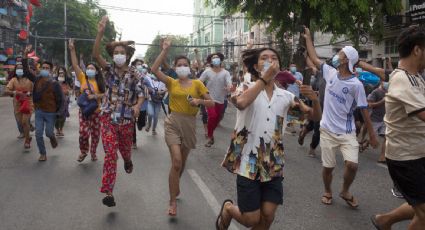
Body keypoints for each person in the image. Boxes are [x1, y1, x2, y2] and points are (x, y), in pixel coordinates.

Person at [216, 47, 322, 230]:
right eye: (264, 58)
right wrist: (264, 79)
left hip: (273, 161)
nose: (270, 61)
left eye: (274, 58)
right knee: (251, 219)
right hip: (247, 159)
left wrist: (315, 100)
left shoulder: (287, 96)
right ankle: (228, 209)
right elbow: (241, 103)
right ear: (256, 67)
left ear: (279, 66)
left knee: (268, 216)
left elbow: (314, 117)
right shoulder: (244, 87)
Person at [303, 26, 378, 208]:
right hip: (327, 130)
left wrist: (372, 134)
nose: (337, 56)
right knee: (328, 168)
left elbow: (364, 110)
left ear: (346, 61)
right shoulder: (329, 72)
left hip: (347, 132)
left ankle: (345, 190)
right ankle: (327, 191)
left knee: (352, 165)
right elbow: (313, 57)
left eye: (341, 54)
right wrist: (308, 38)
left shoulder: (356, 85)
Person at [151, 38, 214, 216]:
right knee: (176, 161)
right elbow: (154, 70)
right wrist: (164, 50)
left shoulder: (197, 84)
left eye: (185, 64)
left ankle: (175, 186)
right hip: (173, 123)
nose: (182, 67)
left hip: (190, 124)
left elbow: (211, 104)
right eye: (179, 65)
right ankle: (172, 202)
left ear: (189, 67)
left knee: (182, 163)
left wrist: (199, 101)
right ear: (175, 67)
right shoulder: (172, 82)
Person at [372, 26, 425, 230]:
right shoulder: (403, 79)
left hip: (418, 152)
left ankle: (384, 220)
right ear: (417, 50)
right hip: (406, 158)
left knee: (419, 204)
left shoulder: (416, 77)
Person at [93, 16, 144, 207]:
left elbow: (141, 93)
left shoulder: (134, 74)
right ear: (112, 55)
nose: (119, 55)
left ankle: (128, 160)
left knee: (124, 152)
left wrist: (138, 105)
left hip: (127, 121)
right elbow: (96, 53)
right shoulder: (108, 70)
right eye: (116, 52)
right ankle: (108, 191)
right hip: (107, 117)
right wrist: (100, 32)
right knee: (110, 154)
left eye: (122, 52)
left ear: (127, 56)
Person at [69, 39, 105, 162]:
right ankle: (83, 151)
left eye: (92, 68)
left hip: (96, 112)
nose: (89, 70)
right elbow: (75, 65)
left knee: (95, 135)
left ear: (96, 71)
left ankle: (93, 152)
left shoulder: (100, 82)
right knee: (83, 133)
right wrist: (72, 50)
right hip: (84, 111)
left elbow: (106, 95)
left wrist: (95, 96)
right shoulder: (83, 77)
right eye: (88, 68)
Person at [23, 52, 63, 162]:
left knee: (49, 133)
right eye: (43, 67)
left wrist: (59, 112)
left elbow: (61, 100)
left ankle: (52, 137)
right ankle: (43, 153)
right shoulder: (36, 79)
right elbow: (26, 71)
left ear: (51, 70)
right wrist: (25, 56)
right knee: (38, 133)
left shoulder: (55, 84)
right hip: (39, 111)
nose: (44, 69)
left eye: (47, 68)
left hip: (51, 113)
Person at [200, 52, 232, 147]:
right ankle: (210, 137)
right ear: (211, 61)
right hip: (209, 99)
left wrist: (229, 87)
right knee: (212, 116)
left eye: (217, 57)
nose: (216, 59)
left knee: (217, 119)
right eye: (214, 58)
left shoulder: (226, 73)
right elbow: (199, 82)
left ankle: (210, 133)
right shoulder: (207, 71)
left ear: (221, 60)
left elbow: (229, 82)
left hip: (221, 100)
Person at [5, 60, 34, 149]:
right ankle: (28, 137)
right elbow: (6, 91)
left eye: (21, 69)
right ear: (15, 70)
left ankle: (27, 141)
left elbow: (36, 90)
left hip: (28, 103)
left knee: (25, 122)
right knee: (21, 123)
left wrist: (30, 93)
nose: (20, 70)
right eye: (18, 69)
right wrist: (14, 92)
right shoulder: (13, 80)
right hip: (17, 105)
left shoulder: (30, 80)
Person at [365, 81, 388, 163]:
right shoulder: (376, 92)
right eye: (386, 82)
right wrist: (381, 101)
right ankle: (365, 142)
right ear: (382, 83)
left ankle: (382, 157)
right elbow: (369, 104)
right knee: (371, 138)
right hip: (375, 119)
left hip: (385, 119)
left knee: (386, 137)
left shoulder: (390, 93)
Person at [54, 67, 71, 137]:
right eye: (60, 73)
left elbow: (69, 91)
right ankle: (57, 129)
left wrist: (67, 92)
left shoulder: (67, 81)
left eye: (62, 73)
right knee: (56, 117)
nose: (61, 75)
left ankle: (61, 129)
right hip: (56, 103)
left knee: (63, 117)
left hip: (64, 102)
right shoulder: (54, 82)